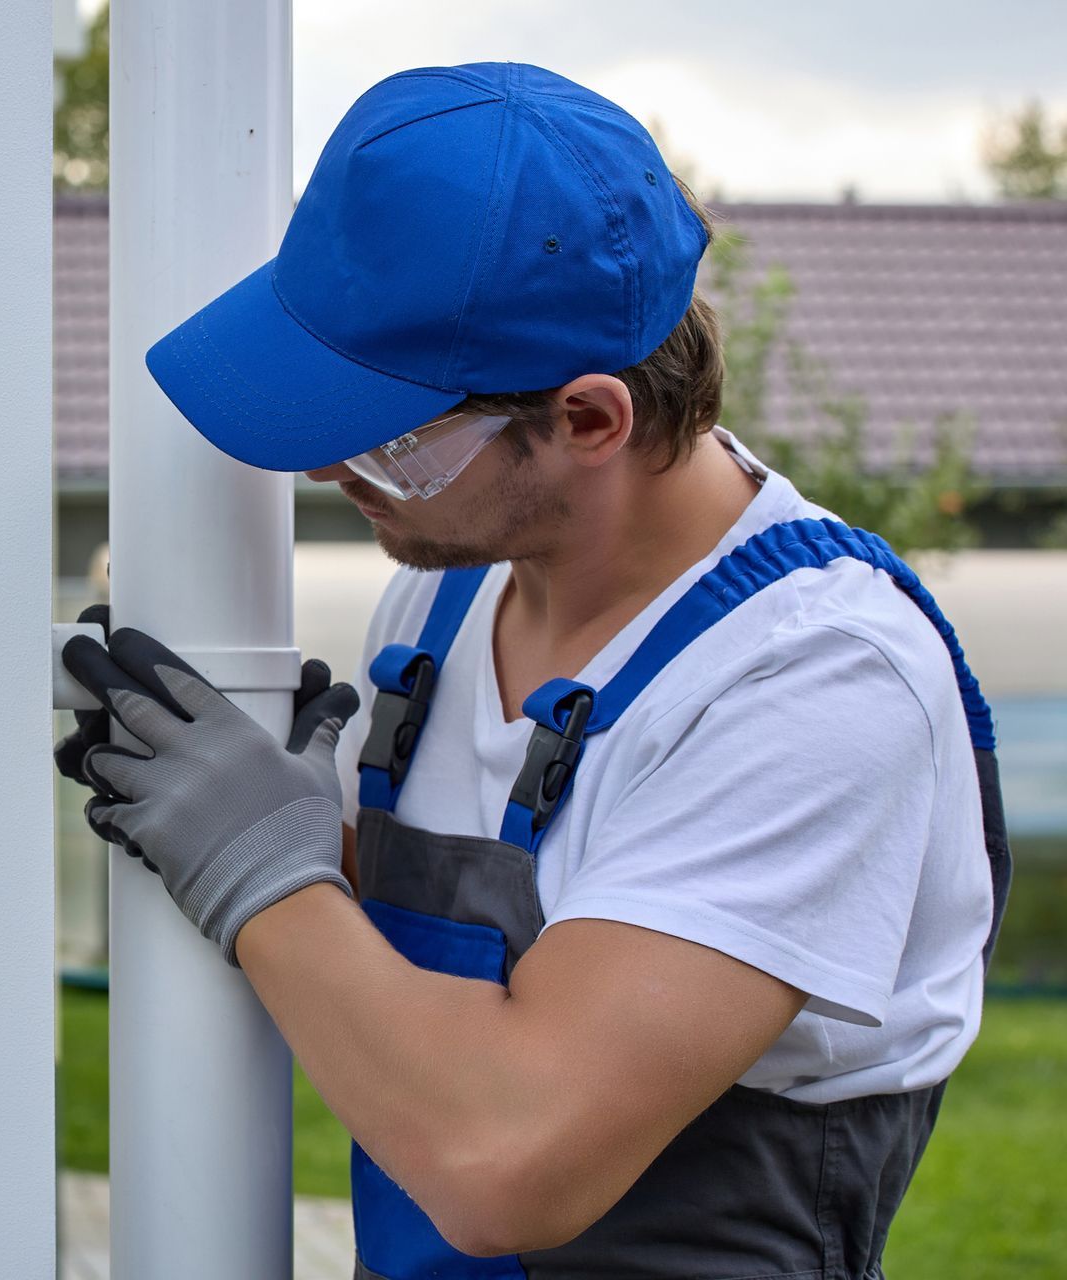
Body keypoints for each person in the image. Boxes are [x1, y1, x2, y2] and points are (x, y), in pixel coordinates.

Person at [55, 62, 1010, 1278]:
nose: (336, 467)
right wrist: (304, 828)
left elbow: (510, 1157)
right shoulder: (451, 584)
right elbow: (473, 960)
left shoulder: (815, 680)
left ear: (592, 420)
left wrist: (262, 873)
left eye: (393, 437)